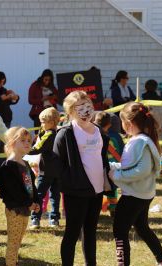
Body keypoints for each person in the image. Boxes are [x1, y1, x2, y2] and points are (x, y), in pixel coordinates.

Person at [109, 102, 162, 266]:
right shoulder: (143, 139)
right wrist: (113, 167)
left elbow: (142, 169)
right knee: (142, 228)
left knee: (120, 231)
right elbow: (133, 166)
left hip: (134, 196)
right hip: (143, 194)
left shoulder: (138, 142)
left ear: (129, 124)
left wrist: (116, 175)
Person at [53, 91, 113, 265]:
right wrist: (71, 182)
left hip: (97, 189)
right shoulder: (65, 134)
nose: (86, 111)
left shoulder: (99, 131)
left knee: (90, 231)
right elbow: (58, 164)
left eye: (89, 107)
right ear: (71, 111)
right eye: (81, 108)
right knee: (72, 232)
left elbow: (101, 158)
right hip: (76, 191)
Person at [0, 127, 39, 266]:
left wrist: (36, 201)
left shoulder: (25, 164)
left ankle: (14, 262)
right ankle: (10, 263)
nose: (27, 143)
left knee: (18, 239)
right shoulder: (8, 166)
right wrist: (28, 203)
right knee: (13, 241)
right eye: (23, 140)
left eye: (29, 141)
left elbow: (32, 186)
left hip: (26, 208)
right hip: (15, 209)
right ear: (12, 143)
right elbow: (13, 191)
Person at [28, 107, 61, 229]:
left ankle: (35, 218)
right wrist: (42, 131)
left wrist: (25, 150)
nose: (41, 124)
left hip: (46, 171)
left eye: (43, 122)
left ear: (52, 122)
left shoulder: (50, 135)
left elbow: (38, 148)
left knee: (39, 195)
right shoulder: (57, 132)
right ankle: (54, 219)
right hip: (57, 171)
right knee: (55, 196)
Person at [94, 111, 123, 216]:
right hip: (114, 167)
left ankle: (96, 209)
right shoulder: (117, 137)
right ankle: (113, 209)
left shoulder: (94, 134)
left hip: (99, 166)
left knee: (98, 189)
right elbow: (122, 150)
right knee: (112, 188)